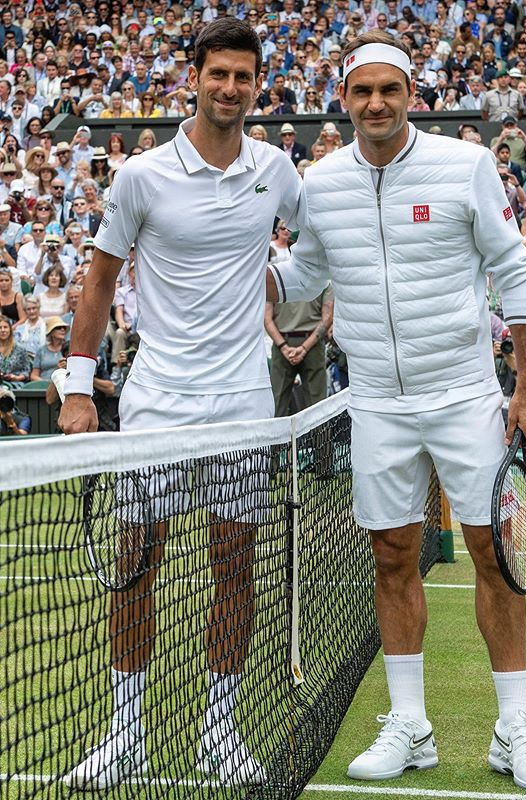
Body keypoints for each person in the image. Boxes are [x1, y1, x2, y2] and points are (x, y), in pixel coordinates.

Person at [267, 30, 526, 793]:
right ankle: (410, 726)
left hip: (465, 393)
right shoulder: (321, 180)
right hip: (375, 400)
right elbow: (302, 276)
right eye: (361, 92)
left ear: (410, 97)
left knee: (493, 553)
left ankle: (514, 729)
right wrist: (227, 259)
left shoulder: (464, 166)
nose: (375, 104)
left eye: (388, 91)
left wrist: (524, 388)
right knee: (392, 555)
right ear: (345, 99)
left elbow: (512, 272)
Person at [59, 18, 302, 793]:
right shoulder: (141, 176)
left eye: (243, 76)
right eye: (217, 74)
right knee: (137, 566)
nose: (230, 88)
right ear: (191, 78)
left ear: (257, 84)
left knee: (234, 568)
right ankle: (124, 734)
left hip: (240, 400)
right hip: (156, 401)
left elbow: (317, 248)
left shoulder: (277, 170)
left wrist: (279, 288)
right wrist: (75, 387)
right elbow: (98, 281)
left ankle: (217, 735)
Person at [265, 283, 333, 416]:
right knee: (317, 405)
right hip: (312, 342)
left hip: (282, 343)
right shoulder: (322, 280)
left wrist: (283, 347)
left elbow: (267, 319)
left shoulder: (274, 281)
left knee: (276, 404)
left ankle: (278, 436)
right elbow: (328, 318)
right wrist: (304, 348)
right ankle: (318, 437)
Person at [0, 313, 30, 387]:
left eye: (5, 327)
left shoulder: (20, 349)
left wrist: (16, 378)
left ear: (10, 329)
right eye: (0, 328)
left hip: (15, 383)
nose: (3, 330)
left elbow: (26, 371)